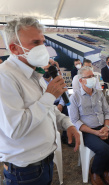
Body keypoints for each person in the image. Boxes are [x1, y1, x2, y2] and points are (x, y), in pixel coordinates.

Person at [0, 17, 80, 184]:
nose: (43, 48)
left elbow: (47, 109)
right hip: (25, 171)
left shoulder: (33, 72)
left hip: (45, 162)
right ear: (14, 49)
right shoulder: (5, 77)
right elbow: (16, 129)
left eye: (43, 42)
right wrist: (50, 94)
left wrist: (67, 123)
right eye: (35, 43)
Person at [69, 66, 109, 185]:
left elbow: (107, 112)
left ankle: (107, 170)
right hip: (87, 131)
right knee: (104, 149)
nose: (93, 79)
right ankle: (95, 172)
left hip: (104, 126)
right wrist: (96, 133)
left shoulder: (99, 93)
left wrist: (106, 128)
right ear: (81, 80)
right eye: (89, 77)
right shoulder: (74, 97)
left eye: (93, 76)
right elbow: (75, 121)